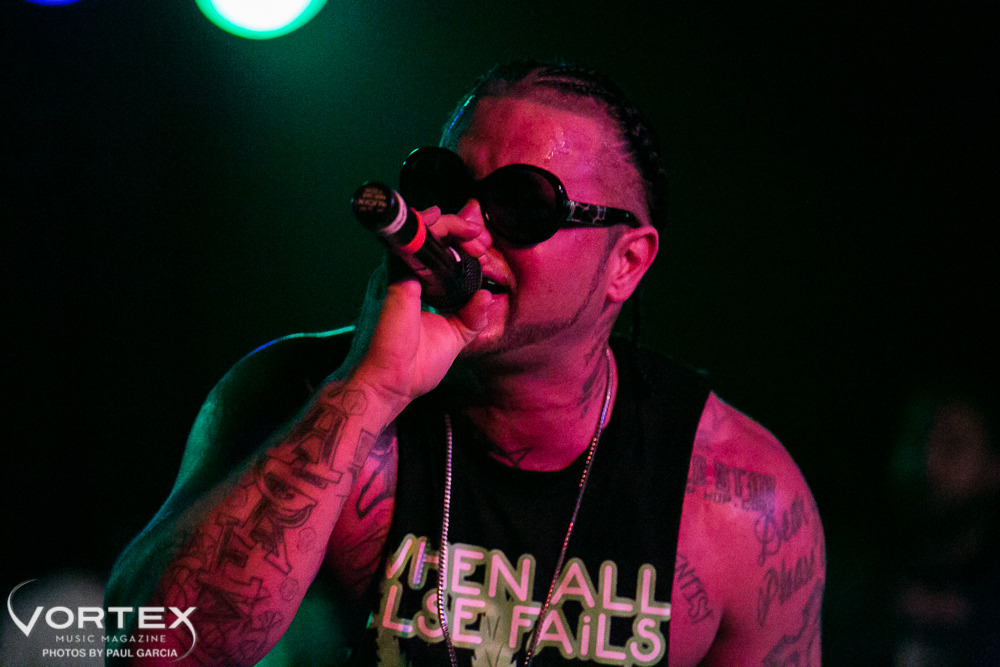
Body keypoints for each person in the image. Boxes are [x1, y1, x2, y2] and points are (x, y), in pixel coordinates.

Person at [106, 60, 825, 666]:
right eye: (446, 185)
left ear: (626, 263)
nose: (466, 226)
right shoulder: (296, 396)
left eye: (523, 203)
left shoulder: (741, 500)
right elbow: (147, 652)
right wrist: (369, 387)